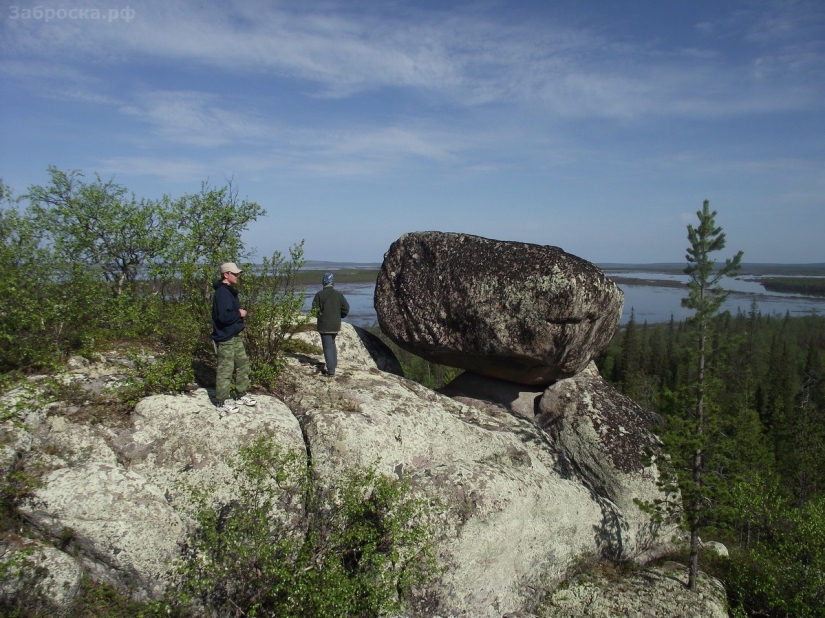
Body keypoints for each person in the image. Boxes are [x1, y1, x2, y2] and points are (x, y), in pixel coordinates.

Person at [211, 262, 257, 415]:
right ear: (226, 275)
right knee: (226, 368)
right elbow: (223, 317)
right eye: (234, 273)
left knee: (243, 363)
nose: (237, 276)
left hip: (234, 335)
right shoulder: (222, 293)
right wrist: (239, 313)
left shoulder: (229, 291)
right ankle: (222, 401)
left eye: (237, 273)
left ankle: (241, 394)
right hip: (225, 337)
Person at [312, 272, 350, 377]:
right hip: (336, 325)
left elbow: (314, 311)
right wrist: (340, 316)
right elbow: (346, 308)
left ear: (323, 282)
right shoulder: (338, 295)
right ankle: (334, 364)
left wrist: (320, 316)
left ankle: (331, 370)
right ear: (332, 282)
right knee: (332, 343)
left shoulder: (319, 295)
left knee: (327, 347)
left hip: (324, 325)